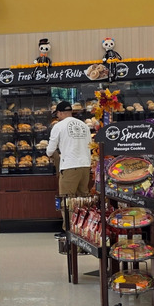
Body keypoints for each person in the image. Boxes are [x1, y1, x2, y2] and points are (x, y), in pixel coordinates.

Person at [47, 101, 91, 238]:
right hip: (85, 166)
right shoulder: (84, 125)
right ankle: (84, 230)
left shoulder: (59, 126)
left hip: (70, 166)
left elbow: (51, 148)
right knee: (83, 200)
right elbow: (90, 144)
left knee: (67, 200)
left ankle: (68, 231)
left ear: (60, 113)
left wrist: (49, 154)